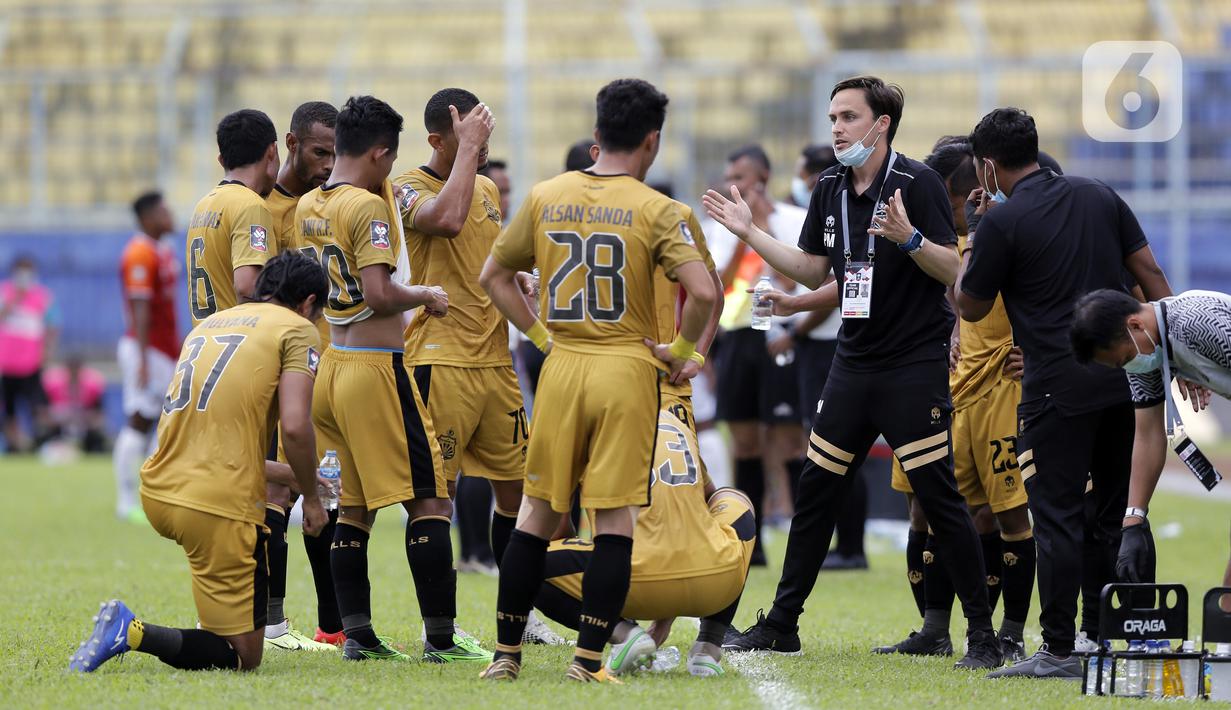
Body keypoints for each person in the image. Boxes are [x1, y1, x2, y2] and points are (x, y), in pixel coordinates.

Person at [708, 75, 1000, 669]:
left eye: (847, 116)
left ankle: (983, 635)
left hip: (912, 366)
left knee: (940, 496)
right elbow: (815, 271)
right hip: (852, 361)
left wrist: (910, 236)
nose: (836, 127)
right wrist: (750, 233)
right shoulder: (831, 186)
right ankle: (783, 624)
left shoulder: (917, 182)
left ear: (880, 124)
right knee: (816, 491)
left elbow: (955, 272)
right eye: (833, 116)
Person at [479, 77, 716, 683]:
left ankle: (506, 657)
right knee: (613, 521)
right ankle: (587, 664)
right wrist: (683, 351)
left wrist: (539, 337)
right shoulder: (656, 207)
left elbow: (495, 276)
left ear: (597, 133)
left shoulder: (544, 194)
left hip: (562, 366)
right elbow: (706, 291)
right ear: (652, 140)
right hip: (626, 368)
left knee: (535, 513)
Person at [956, 107, 1174, 679]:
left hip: (1054, 387)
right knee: (1106, 514)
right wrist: (1172, 355)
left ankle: (1057, 650)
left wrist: (978, 234)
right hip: (1126, 376)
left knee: (1055, 518)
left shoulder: (1003, 221)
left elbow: (969, 304)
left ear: (987, 166)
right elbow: (1149, 273)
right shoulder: (1099, 193)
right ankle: (1097, 638)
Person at [69, 252, 331, 673]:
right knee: (244, 656)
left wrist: (290, 474)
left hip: (160, 488)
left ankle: (213, 613)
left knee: (221, 617)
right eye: (317, 314)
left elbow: (209, 440)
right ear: (307, 303)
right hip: (213, 505)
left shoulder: (209, 324)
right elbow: (297, 428)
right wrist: (313, 501)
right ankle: (130, 630)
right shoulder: (297, 329)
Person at [297, 95, 488, 664]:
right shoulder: (367, 208)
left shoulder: (312, 201)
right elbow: (380, 293)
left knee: (352, 508)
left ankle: (358, 635)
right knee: (430, 501)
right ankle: (441, 639)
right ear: (381, 153)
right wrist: (424, 294)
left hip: (332, 369)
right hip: (378, 370)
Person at [393, 88, 561, 646]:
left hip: (496, 364)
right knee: (436, 498)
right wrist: (467, 152)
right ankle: (438, 631)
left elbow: (494, 261)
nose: (484, 147)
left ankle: (522, 617)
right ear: (439, 140)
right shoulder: (406, 189)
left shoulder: (488, 186)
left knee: (521, 495)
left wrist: (523, 281)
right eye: (473, 137)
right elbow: (446, 220)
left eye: (486, 137)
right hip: (439, 362)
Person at [874, 139, 1035, 664]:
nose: (967, 204)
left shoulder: (1008, 235)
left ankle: (1009, 631)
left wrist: (1033, 354)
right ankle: (933, 629)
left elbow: (1051, 298)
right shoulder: (939, 243)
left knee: (1003, 515)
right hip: (938, 391)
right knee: (933, 510)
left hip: (998, 394)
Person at [533, 410, 754, 678]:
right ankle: (708, 647)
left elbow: (556, 526)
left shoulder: (580, 421)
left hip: (629, 582)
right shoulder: (675, 422)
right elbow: (702, 508)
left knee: (526, 562)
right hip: (715, 582)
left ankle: (623, 633)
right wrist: (666, 616)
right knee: (735, 500)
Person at [1069, 288, 1226, 583]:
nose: (1130, 366)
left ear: (1135, 325)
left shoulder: (1196, 323)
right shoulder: (1146, 353)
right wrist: (1132, 522)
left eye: (1127, 357)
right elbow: (1148, 434)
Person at [705, 144, 808, 566]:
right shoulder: (721, 224)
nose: (734, 185)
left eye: (741, 177)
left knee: (787, 440)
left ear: (762, 178)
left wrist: (762, 229)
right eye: (730, 175)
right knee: (744, 441)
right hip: (737, 337)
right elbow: (719, 284)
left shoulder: (792, 221)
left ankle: (804, 539)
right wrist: (738, 236)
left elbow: (799, 276)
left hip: (778, 336)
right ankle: (754, 542)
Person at [261, 100, 340, 652]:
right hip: (277, 363)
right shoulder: (261, 209)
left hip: (328, 360)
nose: (327, 164)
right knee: (280, 490)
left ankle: (331, 625)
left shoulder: (336, 200)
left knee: (325, 491)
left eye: (335, 153)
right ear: (290, 143)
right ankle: (273, 623)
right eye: (319, 152)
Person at [114, 193, 179, 522]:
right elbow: (139, 309)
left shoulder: (162, 250)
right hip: (146, 349)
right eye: (163, 211)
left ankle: (155, 494)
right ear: (148, 217)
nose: (170, 215)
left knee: (165, 420)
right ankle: (126, 500)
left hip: (163, 350)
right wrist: (142, 359)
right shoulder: (139, 253)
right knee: (140, 418)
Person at [184, 109, 279, 326]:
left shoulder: (203, 205)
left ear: (221, 159)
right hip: (236, 345)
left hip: (203, 342)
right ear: (272, 152)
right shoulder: (250, 205)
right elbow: (248, 287)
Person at [0, 256, 58, 452]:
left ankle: (38, 443)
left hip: (31, 363)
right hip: (6, 364)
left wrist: (48, 351)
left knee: (37, 407)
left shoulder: (43, 296)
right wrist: (14, 298)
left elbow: (53, 325)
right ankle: (14, 445)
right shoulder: (4, 292)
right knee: (9, 409)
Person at [42, 355, 106, 453]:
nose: (74, 372)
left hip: (84, 426)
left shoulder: (92, 386)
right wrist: (61, 417)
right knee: (45, 433)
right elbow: (44, 414)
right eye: (71, 368)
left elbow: (98, 415)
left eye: (76, 368)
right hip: (60, 426)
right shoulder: (53, 386)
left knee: (97, 437)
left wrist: (85, 418)